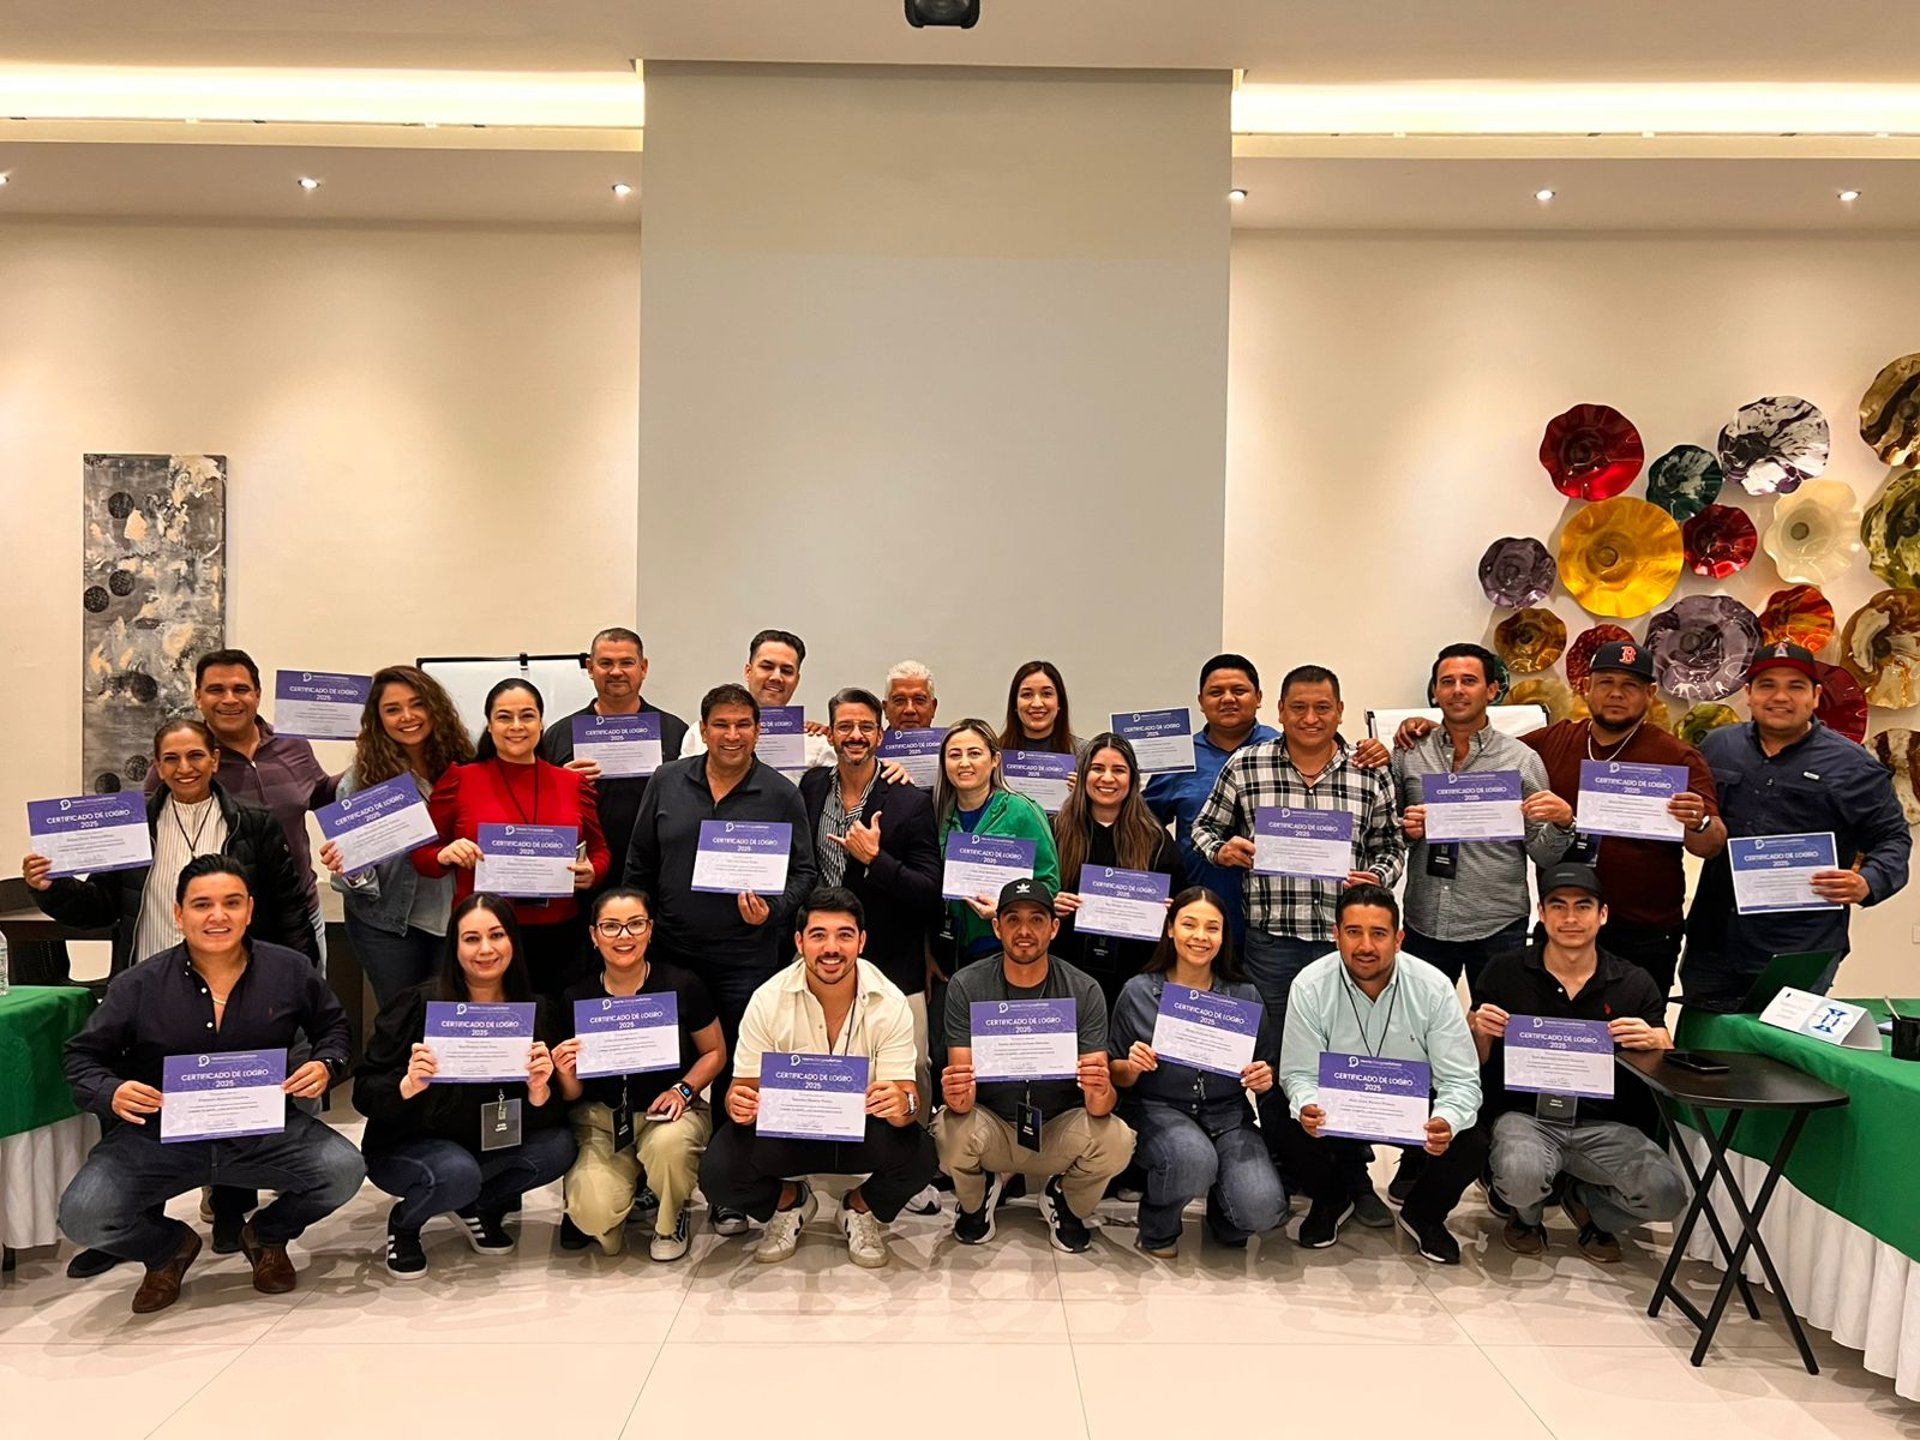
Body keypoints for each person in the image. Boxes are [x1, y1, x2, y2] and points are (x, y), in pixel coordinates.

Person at [58, 856, 363, 1313]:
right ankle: (167, 1250)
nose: (218, 916)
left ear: (250, 910)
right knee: (83, 1216)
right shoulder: (138, 984)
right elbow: (81, 1057)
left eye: (231, 903)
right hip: (161, 1136)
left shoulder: (290, 971)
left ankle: (265, 1235)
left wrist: (325, 1064)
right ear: (178, 914)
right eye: (202, 905)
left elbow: (335, 1031)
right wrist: (112, 1091)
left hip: (263, 1132)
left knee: (343, 1170)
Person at [1394, 639, 1724, 995]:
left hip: (1642, 928)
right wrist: (1417, 727)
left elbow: (1711, 844)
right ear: (1586, 688)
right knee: (1553, 1032)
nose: (1616, 694)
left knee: (1635, 1032)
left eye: (1630, 685)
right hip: (1560, 921)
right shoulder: (1550, 742)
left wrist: (1699, 822)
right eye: (1606, 683)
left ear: (1651, 693)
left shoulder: (1677, 756)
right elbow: (1484, 746)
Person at [699, 888, 937, 1268]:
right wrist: (738, 1103)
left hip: (862, 1129)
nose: (831, 948)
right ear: (799, 941)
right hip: (789, 1132)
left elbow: (908, 1099)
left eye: (844, 935)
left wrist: (902, 1105)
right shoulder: (767, 998)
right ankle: (790, 1201)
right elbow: (742, 1087)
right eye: (818, 935)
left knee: (922, 1157)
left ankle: (859, 1209)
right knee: (718, 1173)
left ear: (862, 941)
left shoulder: (889, 1001)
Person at [355, 893, 576, 1280]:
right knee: (457, 1173)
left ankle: (470, 1205)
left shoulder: (536, 1011)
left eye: (496, 935)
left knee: (558, 1148)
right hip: (411, 1145)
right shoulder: (418, 1005)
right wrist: (407, 1084)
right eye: (471, 939)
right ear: (454, 947)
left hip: (486, 1144)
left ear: (513, 942)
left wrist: (540, 1090)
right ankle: (406, 1224)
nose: (486, 949)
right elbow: (363, 1093)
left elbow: (551, 1116)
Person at [1472, 865, 1685, 1262]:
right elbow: (1477, 1062)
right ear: (1541, 912)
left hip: (1603, 1124)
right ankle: (1526, 1217)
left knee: (1667, 1195)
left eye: (1583, 906)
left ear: (1603, 915)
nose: (1570, 918)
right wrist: (1479, 1030)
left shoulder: (1634, 983)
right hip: (1526, 1117)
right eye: (1558, 906)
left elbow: (1663, 1066)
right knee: (1520, 1174)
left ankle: (1591, 1207)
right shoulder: (1505, 972)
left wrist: (1660, 1042)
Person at [1684, 641, 1912, 1004]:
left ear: (1816, 696)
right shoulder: (1717, 747)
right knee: (1703, 1053)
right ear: (1749, 694)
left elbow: (1893, 838)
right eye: (1767, 685)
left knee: (1784, 1056)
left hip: (1799, 949)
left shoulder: (1853, 765)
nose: (1780, 697)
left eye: (1795, 686)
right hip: (1713, 942)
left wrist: (1868, 882)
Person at [1190, 664, 1406, 1044]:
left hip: (1345, 940)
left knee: (1347, 1045)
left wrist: (1379, 876)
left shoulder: (1371, 772)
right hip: (1271, 943)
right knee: (1272, 1049)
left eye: (1322, 708)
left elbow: (1390, 844)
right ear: (1279, 710)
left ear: (1339, 710)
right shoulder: (1245, 765)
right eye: (1298, 707)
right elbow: (1202, 830)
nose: (1310, 718)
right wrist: (1222, 850)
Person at [1273, 884, 1486, 1265]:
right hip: (1337, 1102)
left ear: (1399, 939)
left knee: (1472, 1134)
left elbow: (1462, 1082)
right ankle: (1331, 1198)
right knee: (1278, 1108)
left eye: (1379, 934)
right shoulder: (1309, 985)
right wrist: (1307, 1105)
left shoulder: (1433, 987)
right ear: (1336, 934)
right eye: (1353, 932)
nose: (1365, 946)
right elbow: (1298, 1073)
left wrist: (1447, 1121)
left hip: (1416, 1104)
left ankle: (1425, 1213)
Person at [27, 719, 318, 978]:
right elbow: (99, 907)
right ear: (158, 766)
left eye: (195, 756)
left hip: (237, 988)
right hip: (148, 983)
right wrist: (51, 888)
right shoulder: (131, 826)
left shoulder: (255, 825)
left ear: (214, 760)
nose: (184, 768)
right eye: (171, 759)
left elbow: (289, 912)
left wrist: (300, 980)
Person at [934, 878, 1134, 1253]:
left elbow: (1098, 1106)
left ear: (1054, 928)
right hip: (992, 1122)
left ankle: (1065, 1201)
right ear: (997, 926)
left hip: (1058, 1125)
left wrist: (1101, 1087)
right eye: (1012, 920)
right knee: (950, 1131)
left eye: (1037, 920)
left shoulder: (1084, 989)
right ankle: (977, 1202)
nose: (1024, 931)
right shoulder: (967, 985)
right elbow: (961, 1104)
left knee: (1117, 1139)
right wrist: (956, 1092)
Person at [623, 683, 818, 1045]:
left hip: (745, 956)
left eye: (743, 725)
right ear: (703, 730)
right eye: (721, 725)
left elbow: (805, 872)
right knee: (668, 1054)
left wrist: (772, 909)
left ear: (758, 731)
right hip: (671, 949)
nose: (732, 735)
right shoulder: (666, 780)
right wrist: (639, 930)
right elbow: (640, 863)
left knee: (738, 1059)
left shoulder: (782, 794)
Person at [1108, 888, 1284, 1257]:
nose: (1200, 937)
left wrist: (1263, 1076)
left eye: (1212, 928)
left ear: (1224, 936)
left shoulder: (1245, 996)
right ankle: (1158, 1228)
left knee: (1262, 1209)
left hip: (1228, 1115)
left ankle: (1225, 1217)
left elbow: (1266, 1065)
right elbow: (1115, 1074)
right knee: (1193, 1160)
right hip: (1159, 1108)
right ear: (1170, 929)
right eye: (1189, 924)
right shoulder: (1138, 992)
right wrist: (1132, 1065)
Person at [551, 888, 725, 1261]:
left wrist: (683, 1089)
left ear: (650, 929)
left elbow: (715, 1052)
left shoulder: (682, 984)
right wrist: (564, 1072)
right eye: (611, 927)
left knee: (669, 1149)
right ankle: (628, 1193)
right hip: (601, 1121)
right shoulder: (575, 997)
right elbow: (570, 1094)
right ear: (594, 935)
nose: (624, 936)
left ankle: (671, 1213)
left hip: (669, 1114)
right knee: (591, 1214)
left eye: (635, 924)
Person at [1393, 643, 1574, 994]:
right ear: (1435, 691)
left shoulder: (1522, 760)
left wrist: (1564, 823)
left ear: (1491, 690)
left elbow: (1544, 854)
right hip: (1425, 919)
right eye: (1447, 681)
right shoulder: (1410, 754)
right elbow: (1388, 830)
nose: (1457, 690)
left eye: (1469, 680)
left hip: (1497, 924)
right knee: (1416, 1034)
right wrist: (1406, 829)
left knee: (1496, 1031)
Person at [411, 678, 609, 996]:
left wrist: (594, 871)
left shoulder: (571, 783)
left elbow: (600, 849)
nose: (516, 726)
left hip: (556, 935)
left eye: (527, 715)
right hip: (482, 935)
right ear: (489, 726)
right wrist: (443, 854)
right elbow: (422, 856)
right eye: (504, 716)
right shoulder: (461, 780)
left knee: (550, 1027)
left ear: (541, 723)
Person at [799, 687, 943, 1096]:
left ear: (880, 735)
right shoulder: (810, 788)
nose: (856, 735)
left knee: (911, 1068)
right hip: (823, 959)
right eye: (845, 726)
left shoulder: (909, 800)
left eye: (866, 727)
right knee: (829, 1066)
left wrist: (876, 860)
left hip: (893, 961)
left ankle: (913, 1155)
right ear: (830, 734)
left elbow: (929, 891)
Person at [148, 648, 336, 962]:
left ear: (257, 694)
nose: (229, 699)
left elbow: (321, 795)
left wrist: (370, 762)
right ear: (198, 697)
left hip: (296, 913)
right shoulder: (189, 762)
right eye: (216, 690)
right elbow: (148, 828)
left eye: (240, 689)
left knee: (298, 1006)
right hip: (221, 919)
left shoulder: (293, 744)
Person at [320, 665, 475, 1005]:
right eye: (392, 709)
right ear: (378, 719)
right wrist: (351, 868)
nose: (407, 716)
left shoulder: (468, 763)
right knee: (400, 1020)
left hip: (459, 918)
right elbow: (357, 879)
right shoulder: (360, 781)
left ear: (435, 707)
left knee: (449, 1019)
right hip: (388, 924)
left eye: (417, 704)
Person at [539, 627, 690, 892]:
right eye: (606, 663)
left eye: (627, 663)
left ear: (643, 668)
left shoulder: (675, 731)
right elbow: (538, 808)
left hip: (657, 876)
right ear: (589, 667)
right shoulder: (558, 735)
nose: (616, 672)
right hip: (584, 877)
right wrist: (561, 784)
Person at [1144, 654, 1279, 944]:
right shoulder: (1180, 756)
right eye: (1216, 692)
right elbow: (1143, 823)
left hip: (1272, 917)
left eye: (1239, 690)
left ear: (1259, 697)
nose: (1227, 699)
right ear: (1201, 701)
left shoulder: (1283, 750)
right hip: (1198, 910)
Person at [1052, 731, 1187, 1010]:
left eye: (1119, 770)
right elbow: (1035, 891)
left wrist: (1172, 911)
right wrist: (1049, 901)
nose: (1107, 778)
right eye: (1097, 769)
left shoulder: (1156, 839)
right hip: (1067, 972)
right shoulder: (1056, 830)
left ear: (1133, 779)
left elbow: (1180, 903)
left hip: (1135, 976)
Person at [932, 718, 1062, 970]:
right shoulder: (939, 816)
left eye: (975, 753)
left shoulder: (1022, 811)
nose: (964, 763)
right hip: (951, 951)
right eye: (954, 755)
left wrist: (1005, 909)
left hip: (1007, 950)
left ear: (995, 760)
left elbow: (1049, 885)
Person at [682, 629, 833, 771]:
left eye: (787, 671)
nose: (776, 677)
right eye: (767, 667)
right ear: (748, 672)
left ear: (797, 679)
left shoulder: (816, 742)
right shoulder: (700, 733)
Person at [998, 659, 1084, 756]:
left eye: (1047, 694)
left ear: (1059, 702)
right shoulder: (993, 754)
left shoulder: (1086, 755)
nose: (1037, 704)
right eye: (1027, 694)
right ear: (1015, 704)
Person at [883, 659, 939, 731]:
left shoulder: (949, 742)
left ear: (933, 708)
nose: (909, 710)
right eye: (899, 700)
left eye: (919, 700)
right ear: (885, 709)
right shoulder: (871, 742)